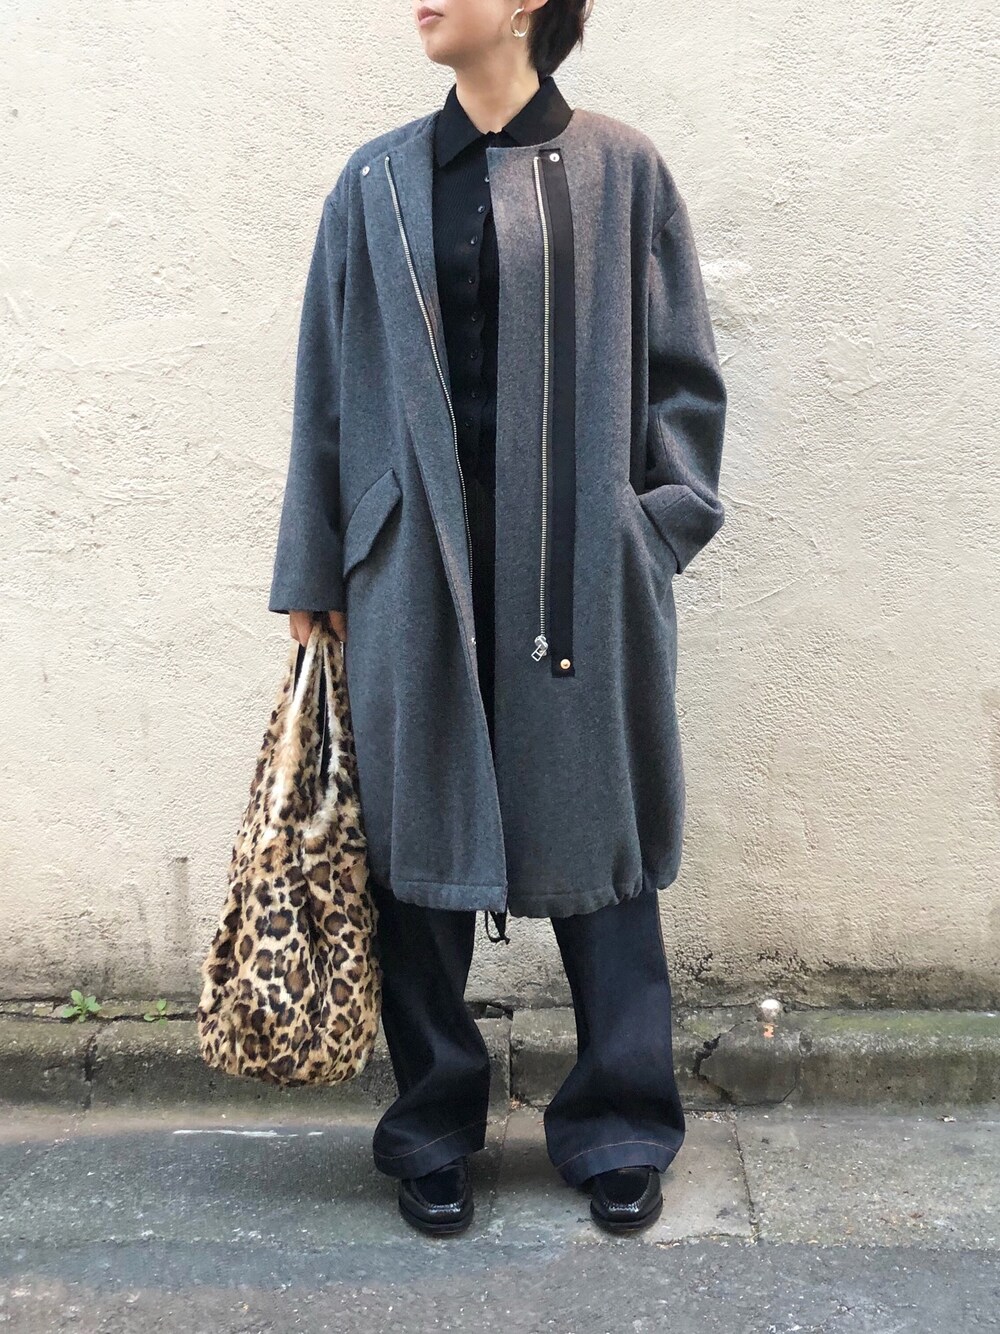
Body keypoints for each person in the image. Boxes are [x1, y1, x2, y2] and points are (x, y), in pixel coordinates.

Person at [269, 0, 727, 1237]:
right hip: (411, 570)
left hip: (578, 573)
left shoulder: (622, 170)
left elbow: (684, 377)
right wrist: (314, 567)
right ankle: (431, 1123)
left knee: (602, 843)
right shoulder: (374, 184)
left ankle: (619, 1121)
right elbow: (324, 383)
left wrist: (654, 525)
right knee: (412, 849)